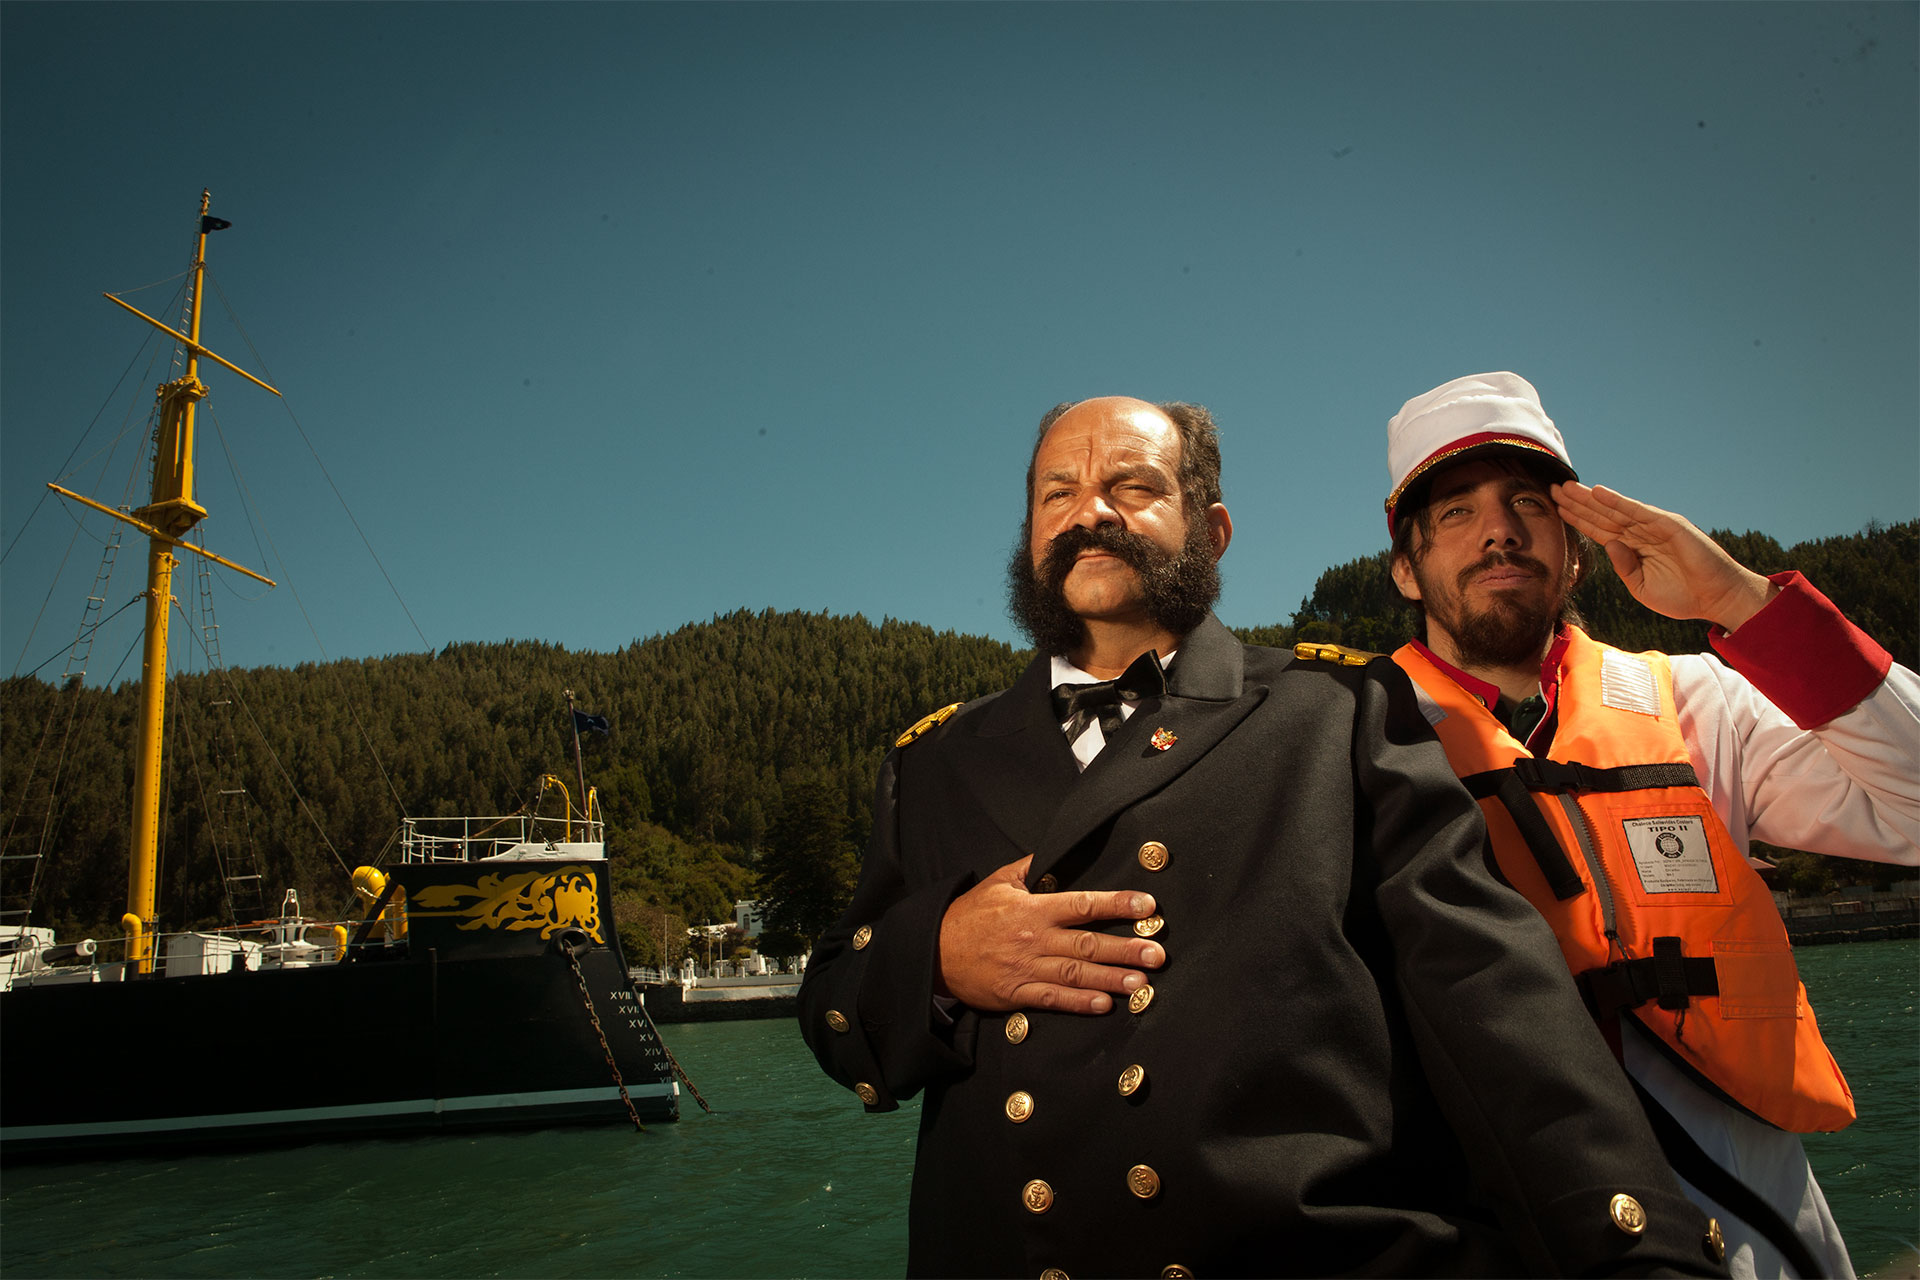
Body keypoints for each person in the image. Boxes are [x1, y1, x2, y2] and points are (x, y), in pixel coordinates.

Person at [800, 395, 1726, 1278]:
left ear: (1212, 530)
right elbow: (839, 1014)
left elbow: (1491, 997)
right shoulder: (935, 761)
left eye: (1132, 487)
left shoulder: (1336, 714)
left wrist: (1634, 1250)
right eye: (1057, 493)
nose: (1089, 512)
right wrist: (939, 956)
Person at [1379, 371, 1920, 1280]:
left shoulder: (1699, 702)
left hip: (1761, 1232)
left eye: (1527, 504)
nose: (1500, 530)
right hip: (1511, 1232)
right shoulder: (1354, 740)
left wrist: (1743, 604)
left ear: (1577, 548)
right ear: (1405, 566)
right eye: (1457, 512)